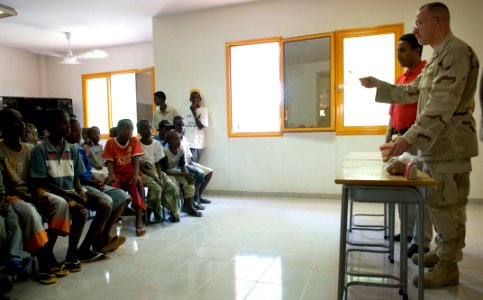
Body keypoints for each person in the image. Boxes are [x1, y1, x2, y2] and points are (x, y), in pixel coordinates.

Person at [360, 2, 479, 288]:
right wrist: (381, 85)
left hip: (450, 146)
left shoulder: (455, 53)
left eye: (418, 23)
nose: (415, 29)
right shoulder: (439, 56)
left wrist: (406, 140)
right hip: (437, 146)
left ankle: (449, 266)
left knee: (449, 206)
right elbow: (413, 91)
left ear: (437, 21)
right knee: (438, 204)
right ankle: (440, 252)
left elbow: (440, 106)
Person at [0, 109, 71, 283]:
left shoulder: (30, 148)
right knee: (31, 213)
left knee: (61, 203)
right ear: (4, 127)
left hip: (32, 192)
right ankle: (43, 262)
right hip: (14, 196)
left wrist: (39, 196)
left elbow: (36, 178)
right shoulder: (0, 150)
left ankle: (47, 252)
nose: (22, 124)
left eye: (22, 120)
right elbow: (6, 186)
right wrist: (35, 201)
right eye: (17, 121)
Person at [384, 33, 433, 258]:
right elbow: (393, 111)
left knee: (418, 192)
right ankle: (406, 232)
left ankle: (421, 240)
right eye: (397, 50)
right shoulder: (401, 78)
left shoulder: (425, 75)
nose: (398, 55)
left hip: (416, 141)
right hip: (399, 139)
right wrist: (388, 138)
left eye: (402, 50)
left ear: (416, 51)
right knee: (401, 190)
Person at [29, 109, 95, 272]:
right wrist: (68, 194)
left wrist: (80, 191)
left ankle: (71, 254)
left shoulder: (72, 149)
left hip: (69, 192)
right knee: (75, 210)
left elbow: (76, 177)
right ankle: (47, 252)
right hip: (48, 193)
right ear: (52, 126)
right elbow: (41, 181)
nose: (68, 126)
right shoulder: (41, 149)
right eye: (64, 122)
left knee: (83, 210)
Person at [67, 118, 129, 254]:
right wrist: (93, 183)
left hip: (89, 183)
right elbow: (75, 178)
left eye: (79, 131)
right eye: (76, 131)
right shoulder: (73, 149)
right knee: (105, 203)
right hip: (80, 186)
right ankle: (94, 242)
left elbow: (88, 171)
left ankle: (105, 236)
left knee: (123, 196)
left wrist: (97, 181)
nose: (79, 134)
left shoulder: (79, 150)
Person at [103, 119, 147, 237]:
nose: (130, 131)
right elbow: (109, 161)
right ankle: (108, 222)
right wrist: (111, 175)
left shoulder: (134, 141)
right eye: (127, 128)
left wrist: (136, 175)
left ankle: (139, 222)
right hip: (117, 174)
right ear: (119, 129)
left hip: (131, 174)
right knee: (110, 189)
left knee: (137, 188)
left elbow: (136, 159)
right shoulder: (111, 143)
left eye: (132, 128)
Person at [137, 120, 180, 223]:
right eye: (145, 128)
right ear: (139, 131)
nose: (148, 130)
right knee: (156, 188)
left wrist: (160, 177)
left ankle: (174, 214)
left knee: (171, 186)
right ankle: (150, 214)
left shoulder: (157, 144)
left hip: (156, 170)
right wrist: (156, 179)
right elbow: (140, 167)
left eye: (149, 127)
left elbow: (158, 163)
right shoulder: (137, 144)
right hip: (143, 173)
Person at [173, 116, 213, 205]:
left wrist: (193, 164)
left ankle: (198, 196)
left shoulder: (185, 138)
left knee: (209, 172)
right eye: (179, 125)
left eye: (183, 125)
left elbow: (189, 155)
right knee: (199, 173)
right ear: (174, 126)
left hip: (188, 163)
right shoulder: (173, 139)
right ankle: (194, 199)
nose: (182, 127)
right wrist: (190, 165)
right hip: (181, 166)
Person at [161, 131, 201, 217]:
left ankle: (189, 207)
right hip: (164, 173)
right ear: (168, 141)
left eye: (179, 138)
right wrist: (184, 175)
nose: (178, 141)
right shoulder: (165, 152)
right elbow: (165, 170)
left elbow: (183, 166)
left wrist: (187, 175)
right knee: (173, 186)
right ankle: (173, 211)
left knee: (189, 183)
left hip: (175, 171)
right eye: (175, 139)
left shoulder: (181, 151)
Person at [182, 89, 209, 163]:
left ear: (200, 99)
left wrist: (194, 112)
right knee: (186, 166)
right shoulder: (185, 110)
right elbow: (183, 127)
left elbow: (200, 126)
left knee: (194, 166)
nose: (195, 99)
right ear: (190, 99)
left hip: (196, 143)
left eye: (197, 97)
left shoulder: (204, 110)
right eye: (193, 97)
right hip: (186, 143)